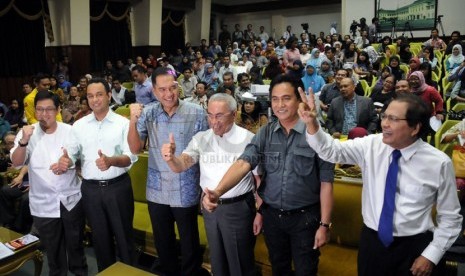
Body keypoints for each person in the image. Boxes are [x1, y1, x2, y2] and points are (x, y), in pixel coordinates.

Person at [299, 91, 462, 276]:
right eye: (384, 116)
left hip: (414, 246)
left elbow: (451, 218)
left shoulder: (438, 163)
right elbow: (330, 150)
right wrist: (312, 123)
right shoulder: (372, 145)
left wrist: (431, 255)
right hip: (373, 243)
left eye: (393, 119)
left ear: (415, 128)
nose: (384, 123)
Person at [203, 74, 335, 276]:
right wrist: (218, 192)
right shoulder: (266, 133)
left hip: (305, 219)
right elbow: (243, 163)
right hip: (272, 217)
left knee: (305, 270)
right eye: (275, 99)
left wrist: (324, 225)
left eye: (286, 98)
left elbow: (326, 183)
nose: (280, 105)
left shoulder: (318, 136)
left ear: (299, 100)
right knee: (278, 268)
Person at [161, 93, 259, 276]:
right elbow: (181, 164)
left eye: (219, 115)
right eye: (210, 115)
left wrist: (260, 212)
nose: (214, 121)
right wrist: (171, 159)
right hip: (209, 208)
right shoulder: (201, 138)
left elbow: (260, 179)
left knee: (241, 264)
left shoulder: (249, 139)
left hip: (238, 208)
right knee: (217, 261)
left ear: (234, 113)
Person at [128, 67, 208, 276]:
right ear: (154, 91)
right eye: (162, 90)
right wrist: (133, 121)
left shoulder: (196, 112)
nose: (168, 94)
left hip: (186, 186)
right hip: (157, 189)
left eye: (172, 88)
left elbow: (205, 151)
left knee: (190, 242)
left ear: (178, 86)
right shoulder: (149, 113)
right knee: (163, 242)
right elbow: (135, 148)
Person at [61, 78, 138, 271]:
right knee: (100, 241)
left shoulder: (123, 123)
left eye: (99, 95)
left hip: (118, 187)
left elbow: (131, 156)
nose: (94, 100)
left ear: (109, 96)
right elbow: (72, 155)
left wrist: (112, 160)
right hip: (91, 190)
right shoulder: (79, 125)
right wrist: (67, 161)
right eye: (90, 96)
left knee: (124, 239)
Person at [10, 91, 88, 275]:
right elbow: (16, 162)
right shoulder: (27, 133)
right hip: (43, 202)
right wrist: (23, 142)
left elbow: (82, 161)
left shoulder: (70, 131)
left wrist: (70, 163)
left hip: (71, 199)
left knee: (76, 248)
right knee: (53, 253)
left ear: (58, 109)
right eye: (39, 110)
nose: (44, 114)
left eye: (49, 110)